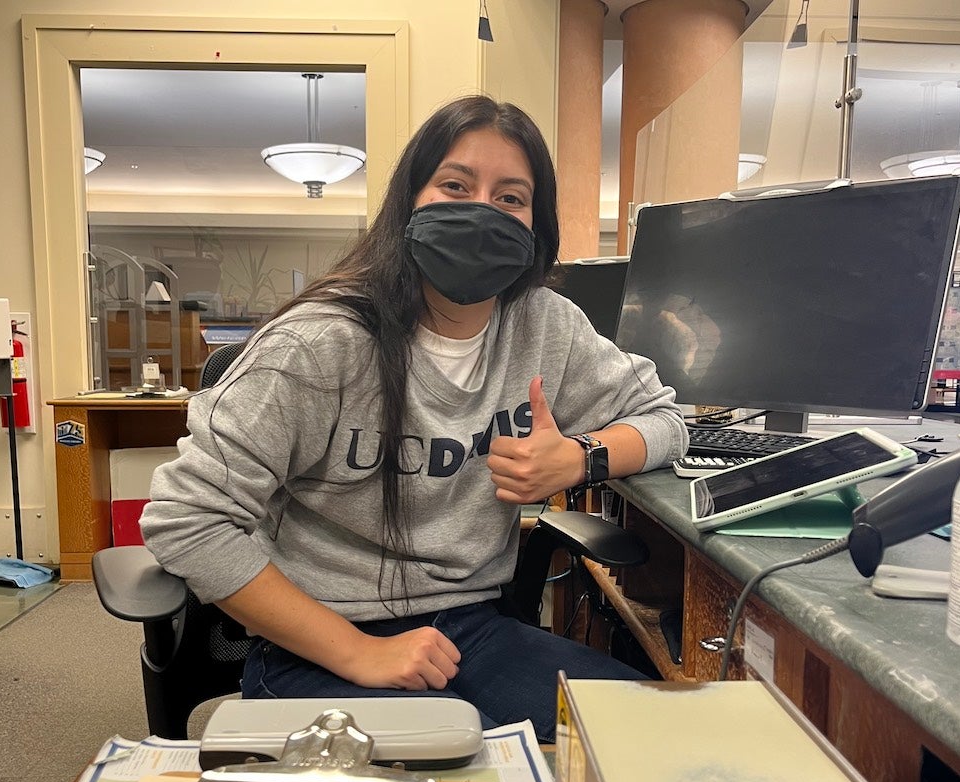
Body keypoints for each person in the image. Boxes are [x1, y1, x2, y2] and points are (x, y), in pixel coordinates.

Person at [140, 95, 689, 742]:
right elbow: (186, 521)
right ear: (409, 202)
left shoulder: (545, 326)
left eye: (510, 197)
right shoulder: (316, 345)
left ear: (536, 225)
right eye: (455, 185)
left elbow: (663, 419)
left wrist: (580, 458)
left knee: (652, 737)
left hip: (473, 629)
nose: (483, 210)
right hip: (317, 646)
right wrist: (356, 651)